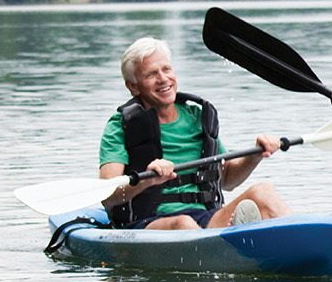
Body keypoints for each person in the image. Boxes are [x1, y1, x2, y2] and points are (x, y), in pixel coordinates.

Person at [99, 36, 289, 230]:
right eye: (151, 75)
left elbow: (227, 179)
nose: (163, 79)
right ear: (133, 86)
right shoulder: (121, 126)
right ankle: (227, 247)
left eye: (166, 69)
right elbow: (107, 195)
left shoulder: (198, 117)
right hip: (148, 223)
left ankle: (308, 239)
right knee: (182, 223)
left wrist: (256, 154)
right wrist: (147, 179)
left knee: (263, 192)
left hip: (205, 218)